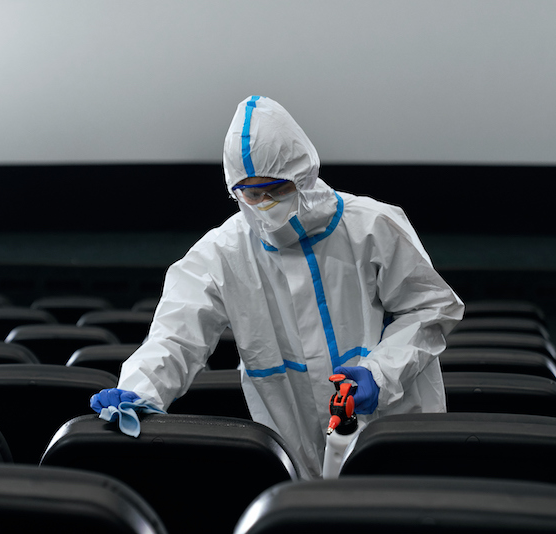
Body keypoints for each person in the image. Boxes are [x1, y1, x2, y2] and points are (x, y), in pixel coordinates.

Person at [91, 95, 464, 479]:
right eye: (251, 194)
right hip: (295, 447)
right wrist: (140, 389)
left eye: (276, 189)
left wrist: (380, 374)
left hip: (397, 428)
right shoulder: (220, 254)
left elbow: (430, 309)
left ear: (302, 174)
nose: (265, 205)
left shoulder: (371, 226)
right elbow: (176, 337)